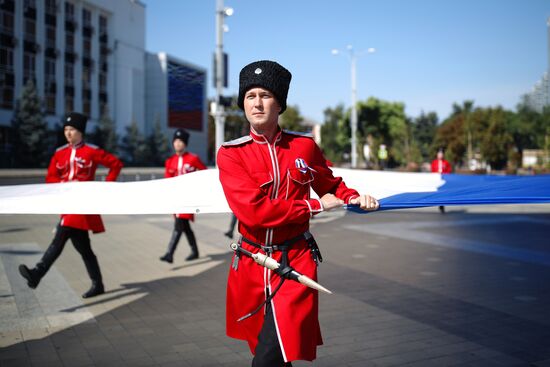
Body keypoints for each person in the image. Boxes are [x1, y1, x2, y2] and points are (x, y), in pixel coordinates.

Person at [217, 60, 380, 366]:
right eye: (250, 96)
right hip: (251, 265)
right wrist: (314, 205)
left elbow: (331, 184)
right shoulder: (230, 154)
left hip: (295, 263)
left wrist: (356, 198)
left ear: (279, 104)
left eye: (265, 95)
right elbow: (255, 213)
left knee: (269, 356)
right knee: (271, 353)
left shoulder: (304, 147)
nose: (257, 103)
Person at [18, 112, 123, 298]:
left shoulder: (91, 151)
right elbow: (50, 177)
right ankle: (97, 284)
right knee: (84, 249)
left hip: (82, 205)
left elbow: (116, 164)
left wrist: (107, 186)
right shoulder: (60, 153)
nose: (68, 133)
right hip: (67, 204)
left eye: (72, 129)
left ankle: (37, 273)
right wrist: (62, 186)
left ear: (80, 132)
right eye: (66, 129)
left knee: (60, 237)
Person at [160, 129, 206, 263]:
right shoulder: (170, 161)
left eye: (181, 141)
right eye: (176, 141)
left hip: (188, 199)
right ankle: (195, 251)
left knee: (179, 224)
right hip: (176, 200)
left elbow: (204, 174)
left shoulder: (193, 159)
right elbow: (167, 181)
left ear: (185, 144)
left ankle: (169, 253)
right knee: (184, 226)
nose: (178, 144)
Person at [431, 148, 452, 213]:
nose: (440, 155)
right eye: (439, 154)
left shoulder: (446, 162)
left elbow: (449, 170)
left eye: (441, 154)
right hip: (436, 179)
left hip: (443, 179)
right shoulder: (434, 162)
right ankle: (439, 202)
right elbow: (432, 170)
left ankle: (441, 205)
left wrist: (445, 175)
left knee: (442, 192)